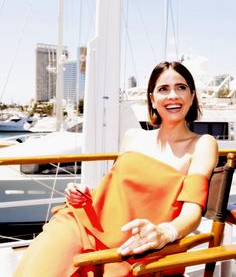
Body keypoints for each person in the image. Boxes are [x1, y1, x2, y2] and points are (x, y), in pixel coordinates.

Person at [14, 61, 218, 277]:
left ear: (192, 95)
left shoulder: (203, 144)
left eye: (181, 87)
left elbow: (192, 212)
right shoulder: (133, 137)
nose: (173, 96)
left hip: (136, 247)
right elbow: (114, 193)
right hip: (82, 225)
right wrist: (83, 196)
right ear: (152, 98)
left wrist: (165, 233)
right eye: (163, 89)